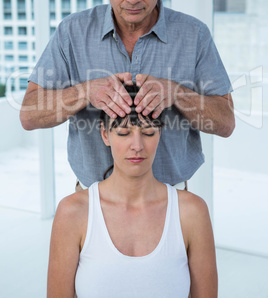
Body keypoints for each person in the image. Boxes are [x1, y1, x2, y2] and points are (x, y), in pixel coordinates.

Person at [20, 0, 235, 190]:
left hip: (171, 200)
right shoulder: (72, 32)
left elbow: (226, 123)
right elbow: (29, 114)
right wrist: (85, 92)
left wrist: (178, 94)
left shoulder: (195, 35)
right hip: (93, 198)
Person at [47, 85, 218, 298]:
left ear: (159, 133)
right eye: (123, 133)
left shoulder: (192, 212)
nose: (137, 146)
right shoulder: (73, 212)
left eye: (148, 132)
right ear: (105, 134)